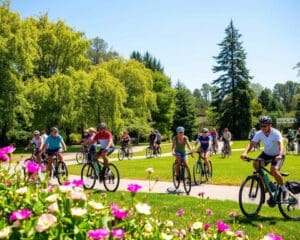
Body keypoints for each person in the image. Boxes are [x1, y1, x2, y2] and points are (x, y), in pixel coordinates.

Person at [240, 116, 288, 200]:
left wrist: (280, 155)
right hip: (266, 154)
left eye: (265, 126)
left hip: (277, 154)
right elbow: (251, 144)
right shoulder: (259, 133)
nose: (263, 128)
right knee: (255, 163)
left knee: (274, 170)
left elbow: (281, 145)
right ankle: (267, 184)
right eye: (261, 126)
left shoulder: (276, 133)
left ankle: (284, 190)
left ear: (270, 125)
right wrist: (245, 153)